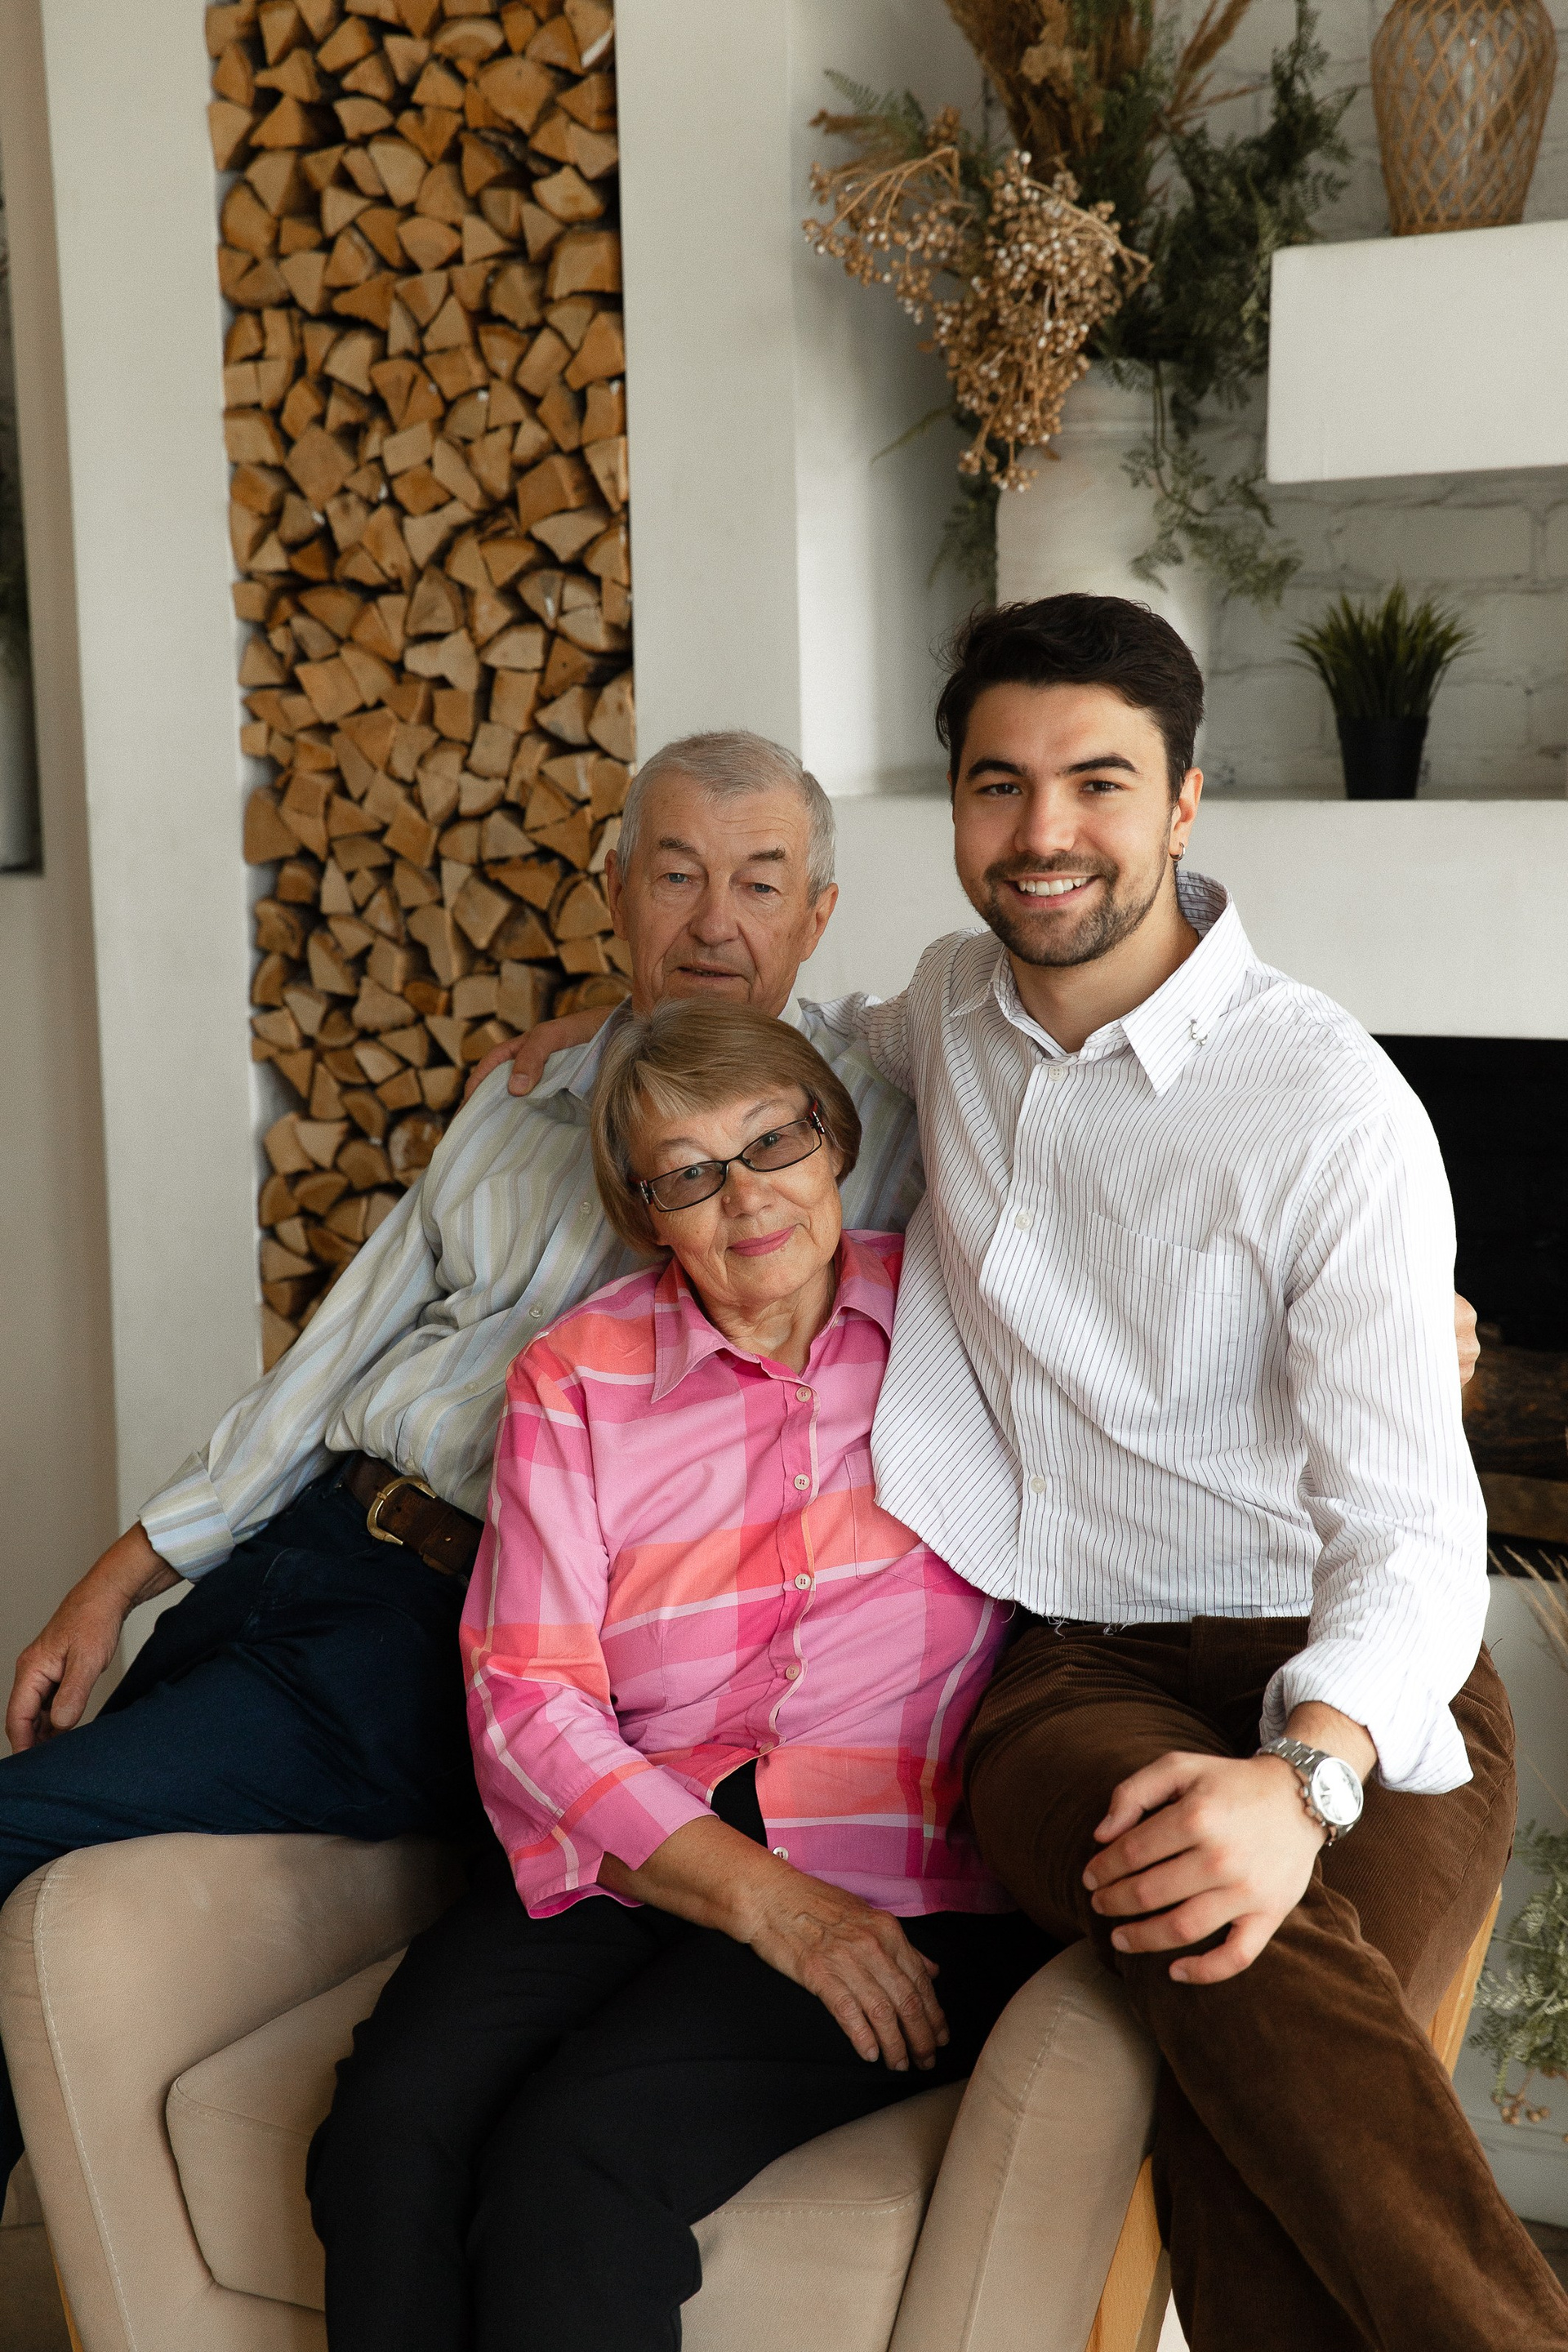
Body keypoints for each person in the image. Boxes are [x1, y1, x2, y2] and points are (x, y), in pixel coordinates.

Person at [498, 596, 1545, 2350]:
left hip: (1359, 1670)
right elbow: (786, 1054)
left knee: (1242, 2045)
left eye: (1099, 782)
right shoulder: (945, 1012)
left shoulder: (1332, 1108)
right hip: (1076, 1674)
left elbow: (1419, 1537)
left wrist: (1302, 1780)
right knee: (1209, 1933)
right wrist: (593, 1041)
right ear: (959, 810)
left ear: (1186, 803)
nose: (1044, 831)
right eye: (1000, 784)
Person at [0, 733, 923, 2193]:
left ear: (818, 916)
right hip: (305, 1548)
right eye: (675, 877)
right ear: (612, 893)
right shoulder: (524, 1098)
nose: (715, 923)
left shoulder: (856, 1132)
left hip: (453, 1629)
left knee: (19, 1836)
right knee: (41, 1877)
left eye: (762, 885)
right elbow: (331, 1360)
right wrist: (117, 1579)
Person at [307, 1002, 1049, 2352]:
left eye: (774, 1142)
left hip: (892, 1868)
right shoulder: (577, 1376)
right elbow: (528, 1693)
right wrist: (763, 1901)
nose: (746, 1195)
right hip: (642, 1847)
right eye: (689, 1172)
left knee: (574, 2170)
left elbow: (1170, 1370)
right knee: (387, 2132)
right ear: (647, 1213)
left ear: (836, 1142)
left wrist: (1403, 1331)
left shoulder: (962, 1318)